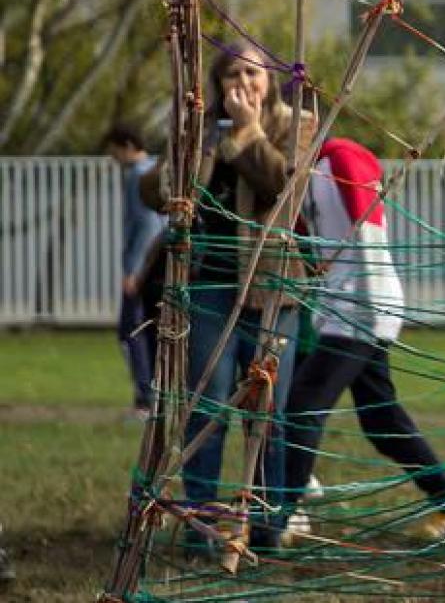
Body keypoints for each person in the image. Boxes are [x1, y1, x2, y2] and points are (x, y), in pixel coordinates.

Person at [142, 44, 309, 555]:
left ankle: (267, 526)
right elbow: (156, 191)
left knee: (268, 414)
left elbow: (284, 184)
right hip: (209, 286)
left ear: (270, 79)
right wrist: (193, 145)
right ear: (217, 83)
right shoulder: (197, 126)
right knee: (206, 408)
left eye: (253, 72)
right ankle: (204, 525)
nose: (244, 82)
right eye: (232, 73)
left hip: (272, 289)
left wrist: (247, 133)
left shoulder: (296, 123)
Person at [282, 136, 445, 541]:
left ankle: (282, 517)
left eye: (303, 125)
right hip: (349, 307)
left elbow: (367, 229)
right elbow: (312, 248)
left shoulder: (339, 159)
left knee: (303, 406)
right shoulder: (303, 178)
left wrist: (369, 306)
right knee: (382, 421)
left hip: (360, 307)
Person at [105, 123, 166, 418]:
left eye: (114, 150)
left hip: (142, 269)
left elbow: (145, 225)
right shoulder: (157, 168)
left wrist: (133, 270)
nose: (113, 156)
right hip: (158, 267)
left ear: (127, 145)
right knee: (152, 332)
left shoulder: (138, 175)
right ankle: (155, 395)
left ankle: (144, 398)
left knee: (130, 332)